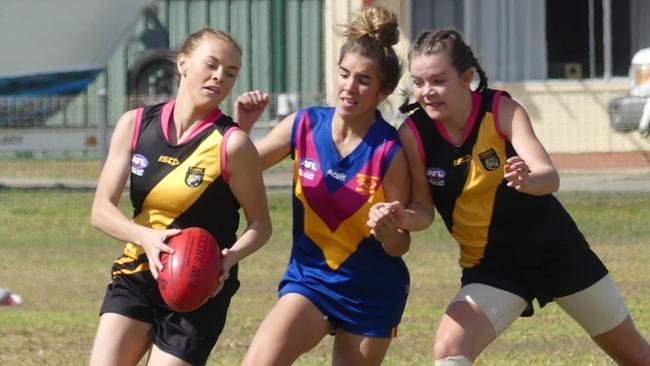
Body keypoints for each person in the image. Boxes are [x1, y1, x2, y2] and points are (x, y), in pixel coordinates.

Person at [367, 28, 650, 365]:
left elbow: (549, 176)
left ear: (467, 77)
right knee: (449, 350)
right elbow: (424, 211)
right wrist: (399, 217)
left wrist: (529, 179)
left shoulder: (502, 110)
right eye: (419, 82)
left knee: (634, 356)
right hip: (492, 268)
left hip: (558, 254)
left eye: (438, 81)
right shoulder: (413, 134)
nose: (427, 92)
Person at [234, 6, 411, 366]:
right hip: (310, 280)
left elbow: (401, 244)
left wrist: (388, 230)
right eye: (344, 74)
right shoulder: (304, 125)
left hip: (371, 290)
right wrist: (243, 127)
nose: (349, 87)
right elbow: (239, 166)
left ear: (384, 90)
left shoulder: (389, 152)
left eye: (364, 80)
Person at [88, 28, 272, 366]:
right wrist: (145, 237)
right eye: (211, 65)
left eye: (230, 73)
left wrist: (227, 260)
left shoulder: (233, 144)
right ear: (183, 64)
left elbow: (261, 225)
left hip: (198, 286)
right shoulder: (136, 124)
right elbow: (101, 210)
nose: (219, 77)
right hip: (137, 272)